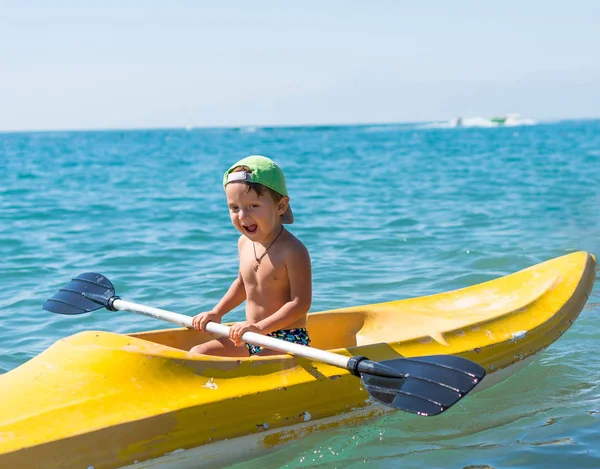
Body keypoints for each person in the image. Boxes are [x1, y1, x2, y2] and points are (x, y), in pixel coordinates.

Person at [190, 155, 312, 357]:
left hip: (287, 339)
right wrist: (217, 313)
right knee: (199, 353)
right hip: (251, 336)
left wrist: (260, 328)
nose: (242, 216)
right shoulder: (244, 243)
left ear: (280, 207)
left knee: (256, 366)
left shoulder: (293, 250)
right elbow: (243, 284)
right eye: (234, 208)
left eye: (253, 206)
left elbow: (300, 303)